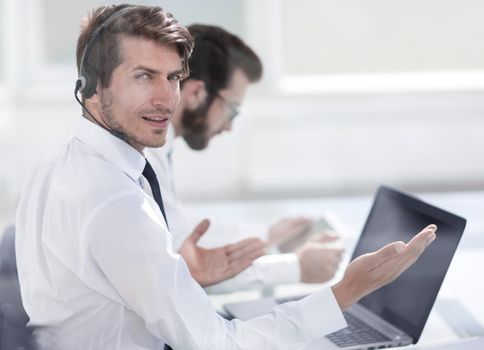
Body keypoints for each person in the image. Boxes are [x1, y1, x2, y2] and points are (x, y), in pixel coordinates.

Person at [15, 4, 437, 349]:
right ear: (92, 86)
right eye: (143, 76)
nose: (166, 98)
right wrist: (346, 292)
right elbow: (216, 344)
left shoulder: (60, 165)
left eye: (173, 77)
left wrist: (189, 269)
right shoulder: (116, 200)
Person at [145, 24, 344, 292]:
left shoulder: (159, 148)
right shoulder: (145, 156)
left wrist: (267, 236)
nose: (228, 127)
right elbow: (184, 270)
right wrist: (296, 267)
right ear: (195, 93)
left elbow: (183, 230)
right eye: (232, 110)